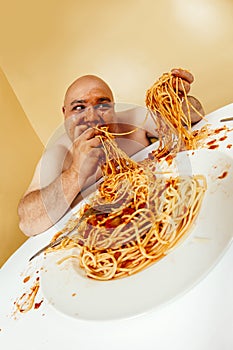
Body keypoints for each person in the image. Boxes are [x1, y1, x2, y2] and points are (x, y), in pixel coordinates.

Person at [18, 68, 205, 237]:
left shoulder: (133, 122)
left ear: (113, 107)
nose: (92, 117)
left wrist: (174, 99)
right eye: (79, 107)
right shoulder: (59, 155)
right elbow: (27, 222)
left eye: (102, 105)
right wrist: (76, 173)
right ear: (65, 113)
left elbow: (193, 115)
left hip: (170, 211)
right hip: (106, 236)